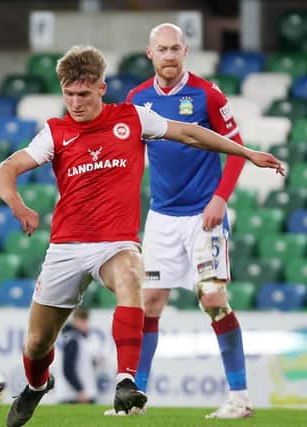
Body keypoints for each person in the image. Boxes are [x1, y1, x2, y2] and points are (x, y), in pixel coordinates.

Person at [0, 45, 283, 427]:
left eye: (83, 93)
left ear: (101, 88)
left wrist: (247, 153)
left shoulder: (131, 118)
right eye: (69, 94)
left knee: (133, 276)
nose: (75, 103)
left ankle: (126, 380)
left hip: (115, 244)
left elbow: (191, 134)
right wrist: (18, 206)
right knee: (37, 344)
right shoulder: (56, 131)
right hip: (66, 247)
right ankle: (36, 385)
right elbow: (5, 170)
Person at [122, 23, 253, 419]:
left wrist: (220, 198)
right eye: (161, 49)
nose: (169, 56)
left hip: (203, 216)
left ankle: (239, 399)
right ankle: (135, 399)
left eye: (175, 48)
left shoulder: (207, 94)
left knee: (212, 298)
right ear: (149, 53)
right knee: (149, 304)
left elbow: (236, 148)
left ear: (185, 50)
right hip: (161, 217)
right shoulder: (136, 99)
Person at [59, 308, 100, 404]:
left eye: (85, 320)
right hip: (75, 396)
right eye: (82, 320)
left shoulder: (78, 339)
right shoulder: (73, 339)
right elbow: (68, 368)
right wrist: (80, 390)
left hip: (79, 394)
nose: (84, 324)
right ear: (74, 320)